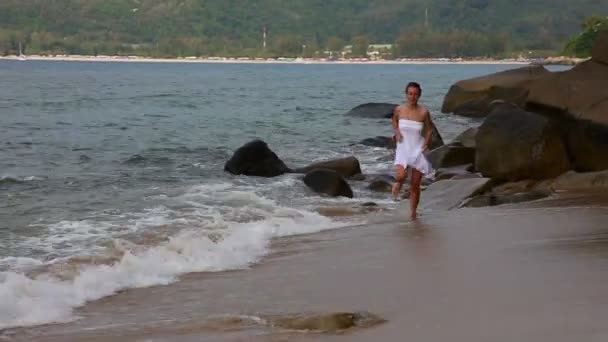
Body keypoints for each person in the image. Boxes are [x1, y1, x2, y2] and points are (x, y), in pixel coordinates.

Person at [391, 82, 435, 220]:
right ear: (406, 94)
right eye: (410, 93)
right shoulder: (399, 109)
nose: (412, 96)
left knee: (415, 184)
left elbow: (430, 129)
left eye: (415, 94)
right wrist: (397, 131)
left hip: (417, 148)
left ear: (419, 95)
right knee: (401, 176)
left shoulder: (424, 112)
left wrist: (427, 142)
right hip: (403, 147)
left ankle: (413, 213)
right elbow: (394, 121)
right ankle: (398, 183)